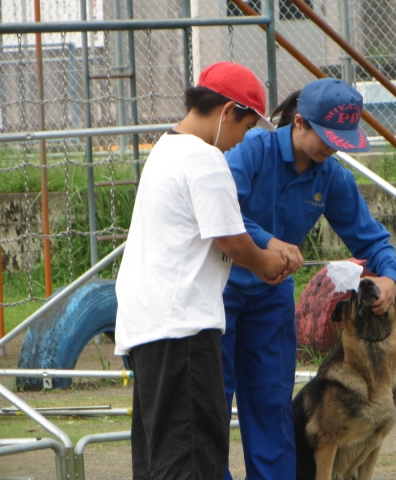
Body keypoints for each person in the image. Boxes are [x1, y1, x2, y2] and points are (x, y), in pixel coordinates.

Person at [221, 78, 396, 479]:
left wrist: (389, 275)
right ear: (300, 122)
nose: (332, 147)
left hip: (271, 299)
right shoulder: (254, 150)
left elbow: (371, 238)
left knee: (272, 404)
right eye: (326, 137)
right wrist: (269, 242)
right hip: (221, 291)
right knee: (214, 403)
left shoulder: (331, 177)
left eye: (341, 139)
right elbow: (218, 208)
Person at [114, 62, 288, 479]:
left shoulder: (165, 149)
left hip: (147, 328)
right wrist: (267, 263)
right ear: (227, 111)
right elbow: (229, 238)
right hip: (183, 333)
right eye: (244, 130)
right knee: (192, 460)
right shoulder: (204, 158)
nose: (237, 144)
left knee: (160, 461)